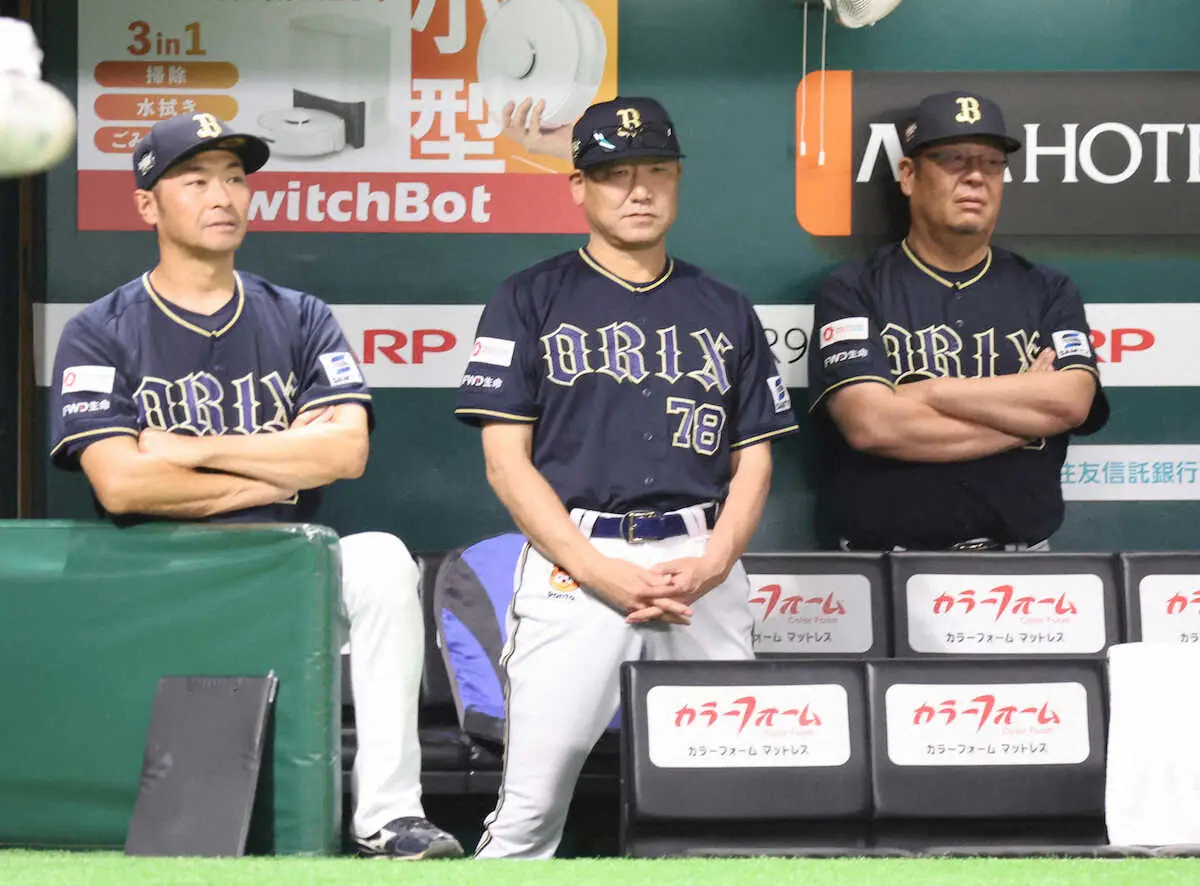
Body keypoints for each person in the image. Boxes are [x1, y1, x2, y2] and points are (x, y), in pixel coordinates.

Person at [48, 112, 462, 860]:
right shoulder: (100, 330)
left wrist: (192, 451)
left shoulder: (300, 318)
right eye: (195, 180)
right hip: (161, 572)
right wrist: (282, 463)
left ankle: (389, 817)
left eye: (235, 179)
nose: (223, 196)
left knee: (380, 560)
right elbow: (122, 485)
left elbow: (345, 453)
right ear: (146, 205)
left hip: (282, 561)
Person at [454, 96, 799, 858]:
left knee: (733, 806)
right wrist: (596, 569)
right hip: (578, 564)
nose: (638, 190)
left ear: (677, 180)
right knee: (528, 815)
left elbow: (755, 460)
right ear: (578, 187)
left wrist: (715, 563)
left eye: (656, 171)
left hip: (699, 564)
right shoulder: (528, 299)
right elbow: (505, 464)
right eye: (615, 174)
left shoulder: (725, 308)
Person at [808, 91, 1108, 552]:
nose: (975, 177)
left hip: (1025, 566)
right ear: (908, 175)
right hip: (885, 563)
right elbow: (872, 424)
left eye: (991, 163)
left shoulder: (1047, 289)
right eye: (952, 159)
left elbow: (1070, 403)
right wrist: (1029, 417)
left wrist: (931, 391)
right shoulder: (853, 288)